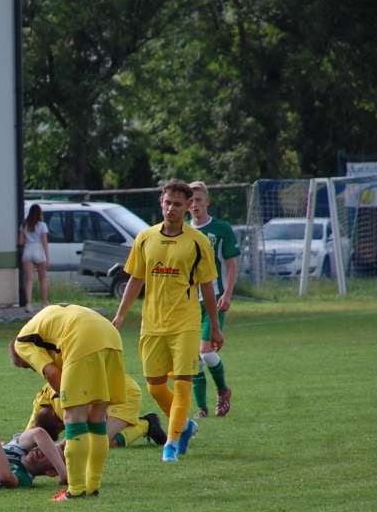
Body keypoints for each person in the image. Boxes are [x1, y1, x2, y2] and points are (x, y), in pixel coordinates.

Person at [112, 180, 221, 463]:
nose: (171, 208)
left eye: (177, 204)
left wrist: (215, 325)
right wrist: (121, 315)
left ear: (187, 207)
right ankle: (184, 425)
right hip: (152, 324)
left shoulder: (198, 242)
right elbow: (136, 279)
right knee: (155, 387)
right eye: (167, 202)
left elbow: (207, 286)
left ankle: (171, 444)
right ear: (161, 203)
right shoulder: (145, 238)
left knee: (183, 384)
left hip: (185, 324)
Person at [10, 304, 126, 500]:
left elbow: (51, 372)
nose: (31, 369)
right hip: (110, 335)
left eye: (27, 366)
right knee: (97, 418)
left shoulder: (21, 343)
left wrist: (66, 397)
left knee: (73, 417)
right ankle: (92, 486)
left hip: (81, 339)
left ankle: (76, 489)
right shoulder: (43, 326)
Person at [188, 181, 240, 418]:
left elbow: (231, 263)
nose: (195, 204)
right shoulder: (182, 231)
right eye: (191, 200)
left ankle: (223, 390)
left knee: (206, 353)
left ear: (207, 201)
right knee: (193, 358)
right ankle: (202, 409)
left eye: (199, 199)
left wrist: (228, 293)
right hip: (187, 304)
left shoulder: (221, 229)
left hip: (213, 299)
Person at [24, 376, 167, 448]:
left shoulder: (65, 409)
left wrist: (56, 448)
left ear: (58, 425)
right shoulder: (43, 399)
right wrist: (19, 444)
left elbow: (83, 433)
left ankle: (146, 424)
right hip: (107, 392)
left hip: (125, 394)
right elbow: (32, 429)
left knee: (98, 442)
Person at [18, 204, 50, 313]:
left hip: (28, 251)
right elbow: (45, 242)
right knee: (42, 279)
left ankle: (28, 304)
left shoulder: (24, 225)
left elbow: (20, 242)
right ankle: (44, 302)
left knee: (29, 279)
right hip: (39, 251)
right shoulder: (42, 225)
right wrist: (47, 258)